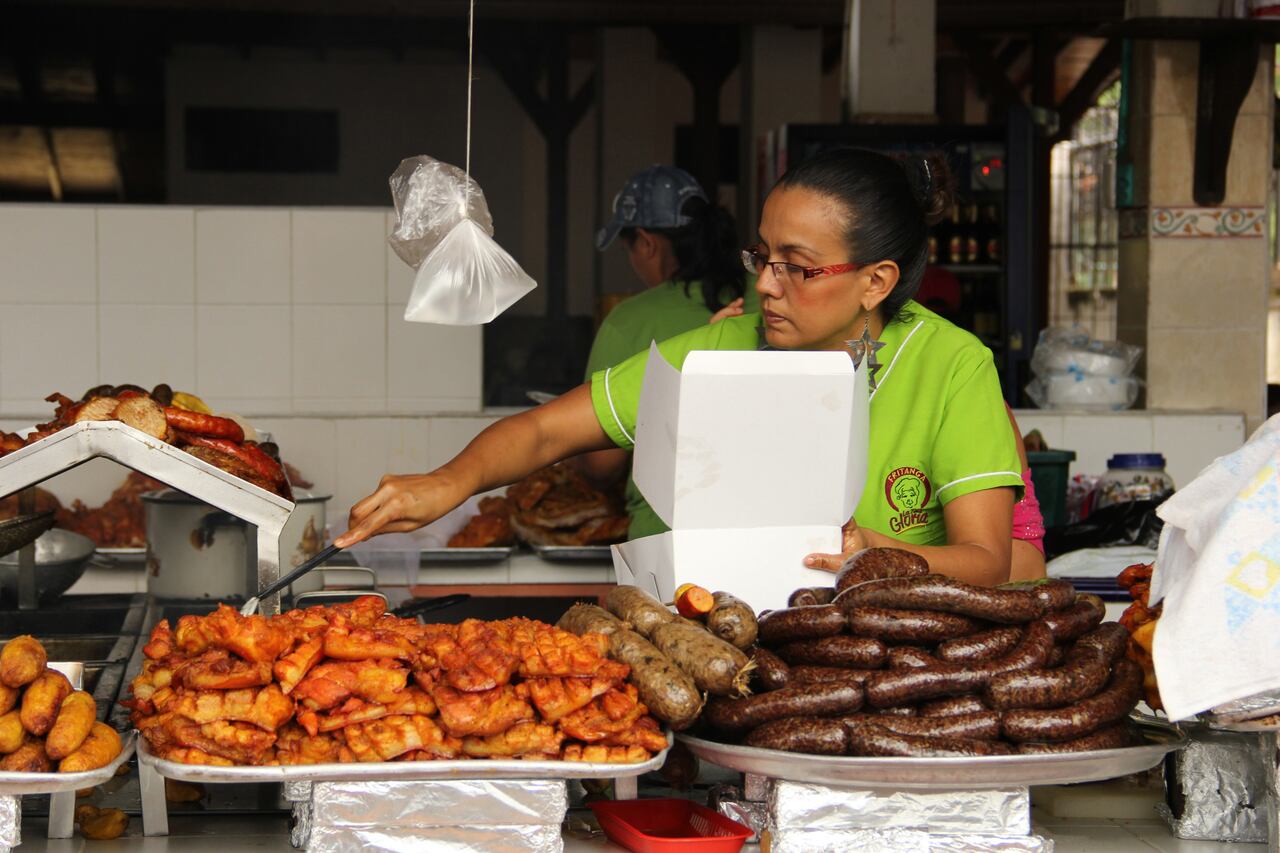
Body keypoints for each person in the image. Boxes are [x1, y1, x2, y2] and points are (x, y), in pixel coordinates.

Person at [337, 148, 1023, 587]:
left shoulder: (953, 367)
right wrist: (448, 481)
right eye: (763, 258)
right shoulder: (716, 351)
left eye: (799, 267)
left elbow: (988, 560)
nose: (767, 286)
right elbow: (546, 433)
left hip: (892, 686)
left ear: (876, 282)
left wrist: (874, 550)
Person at [580, 165, 753, 539]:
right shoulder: (769, 302)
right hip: (761, 531)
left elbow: (600, 461)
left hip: (664, 540)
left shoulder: (627, 321)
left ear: (646, 243)